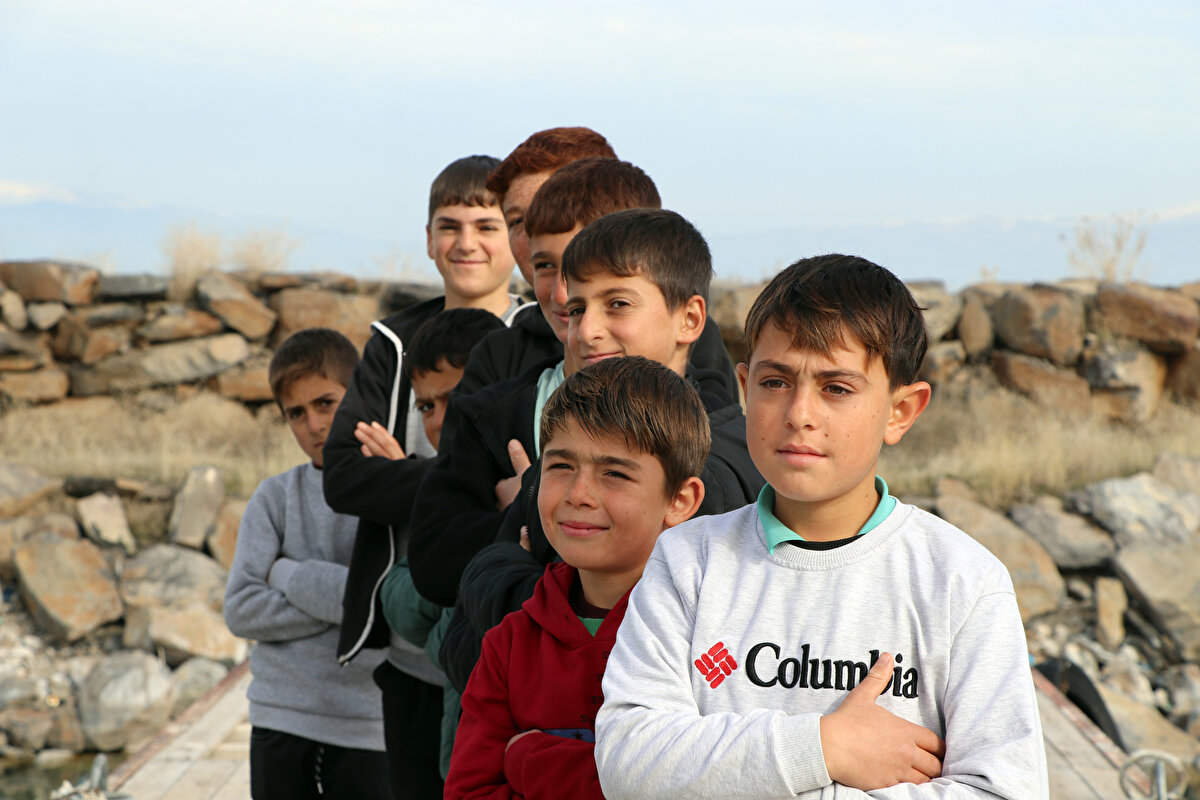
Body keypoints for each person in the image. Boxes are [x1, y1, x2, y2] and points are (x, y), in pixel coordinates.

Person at [594, 255, 1050, 799]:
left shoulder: (961, 582)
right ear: (744, 390)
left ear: (901, 411)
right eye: (775, 381)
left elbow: (1004, 790)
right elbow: (629, 762)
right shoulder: (687, 561)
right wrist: (826, 746)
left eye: (836, 388)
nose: (799, 413)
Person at [414, 203, 764, 694]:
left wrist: (509, 572)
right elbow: (467, 655)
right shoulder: (562, 454)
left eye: (617, 304)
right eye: (576, 309)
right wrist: (508, 570)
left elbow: (712, 672)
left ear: (689, 319)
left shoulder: (721, 463)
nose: (587, 330)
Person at [321, 155, 522, 799]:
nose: (467, 242)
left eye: (487, 225)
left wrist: (410, 475)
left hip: (509, 642)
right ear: (429, 238)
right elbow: (345, 476)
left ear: (516, 236)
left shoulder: (541, 338)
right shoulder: (395, 342)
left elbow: (541, 480)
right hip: (411, 656)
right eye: (450, 224)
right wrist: (462, 481)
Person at [443, 356, 709, 800]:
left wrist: (529, 759)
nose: (578, 494)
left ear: (680, 500)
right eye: (561, 466)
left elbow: (720, 781)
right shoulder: (509, 643)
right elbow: (468, 791)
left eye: (614, 473)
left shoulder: (707, 636)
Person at [224, 328, 388, 800]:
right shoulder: (274, 498)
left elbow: (380, 603)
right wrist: (351, 603)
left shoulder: (391, 486)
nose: (314, 425)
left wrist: (285, 573)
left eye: (325, 403)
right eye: (296, 413)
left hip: (369, 724)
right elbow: (241, 610)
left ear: (356, 395)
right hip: (281, 718)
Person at [374, 307, 506, 779]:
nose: (439, 422)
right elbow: (398, 598)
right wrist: (458, 619)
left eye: (457, 396)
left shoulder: (549, 489)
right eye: (427, 406)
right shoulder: (446, 494)